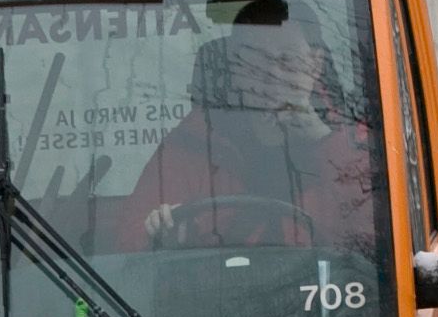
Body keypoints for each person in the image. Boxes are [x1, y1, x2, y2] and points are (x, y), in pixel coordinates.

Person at [124, 30, 379, 253]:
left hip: (331, 298)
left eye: (288, 60)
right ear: (234, 68)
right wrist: (159, 232)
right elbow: (126, 242)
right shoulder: (192, 145)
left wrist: (324, 140)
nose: (272, 74)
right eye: (254, 61)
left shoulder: (356, 145)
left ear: (316, 64)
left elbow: (377, 239)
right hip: (213, 297)